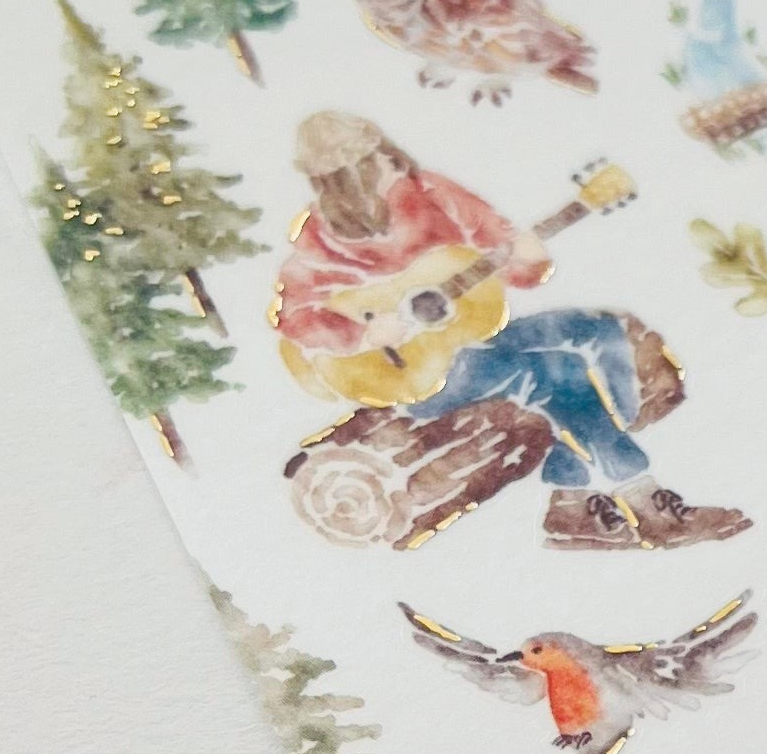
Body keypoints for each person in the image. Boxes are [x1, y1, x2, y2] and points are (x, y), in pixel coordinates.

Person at [271, 113, 743, 550]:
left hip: (468, 338)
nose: (390, 167)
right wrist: (365, 334)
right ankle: (646, 500)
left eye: (384, 153)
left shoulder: (431, 192)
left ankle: (573, 501)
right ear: (340, 183)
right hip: (413, 374)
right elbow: (295, 316)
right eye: (369, 165)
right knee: (556, 373)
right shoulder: (320, 237)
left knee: (596, 330)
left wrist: (527, 256)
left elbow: (507, 259)